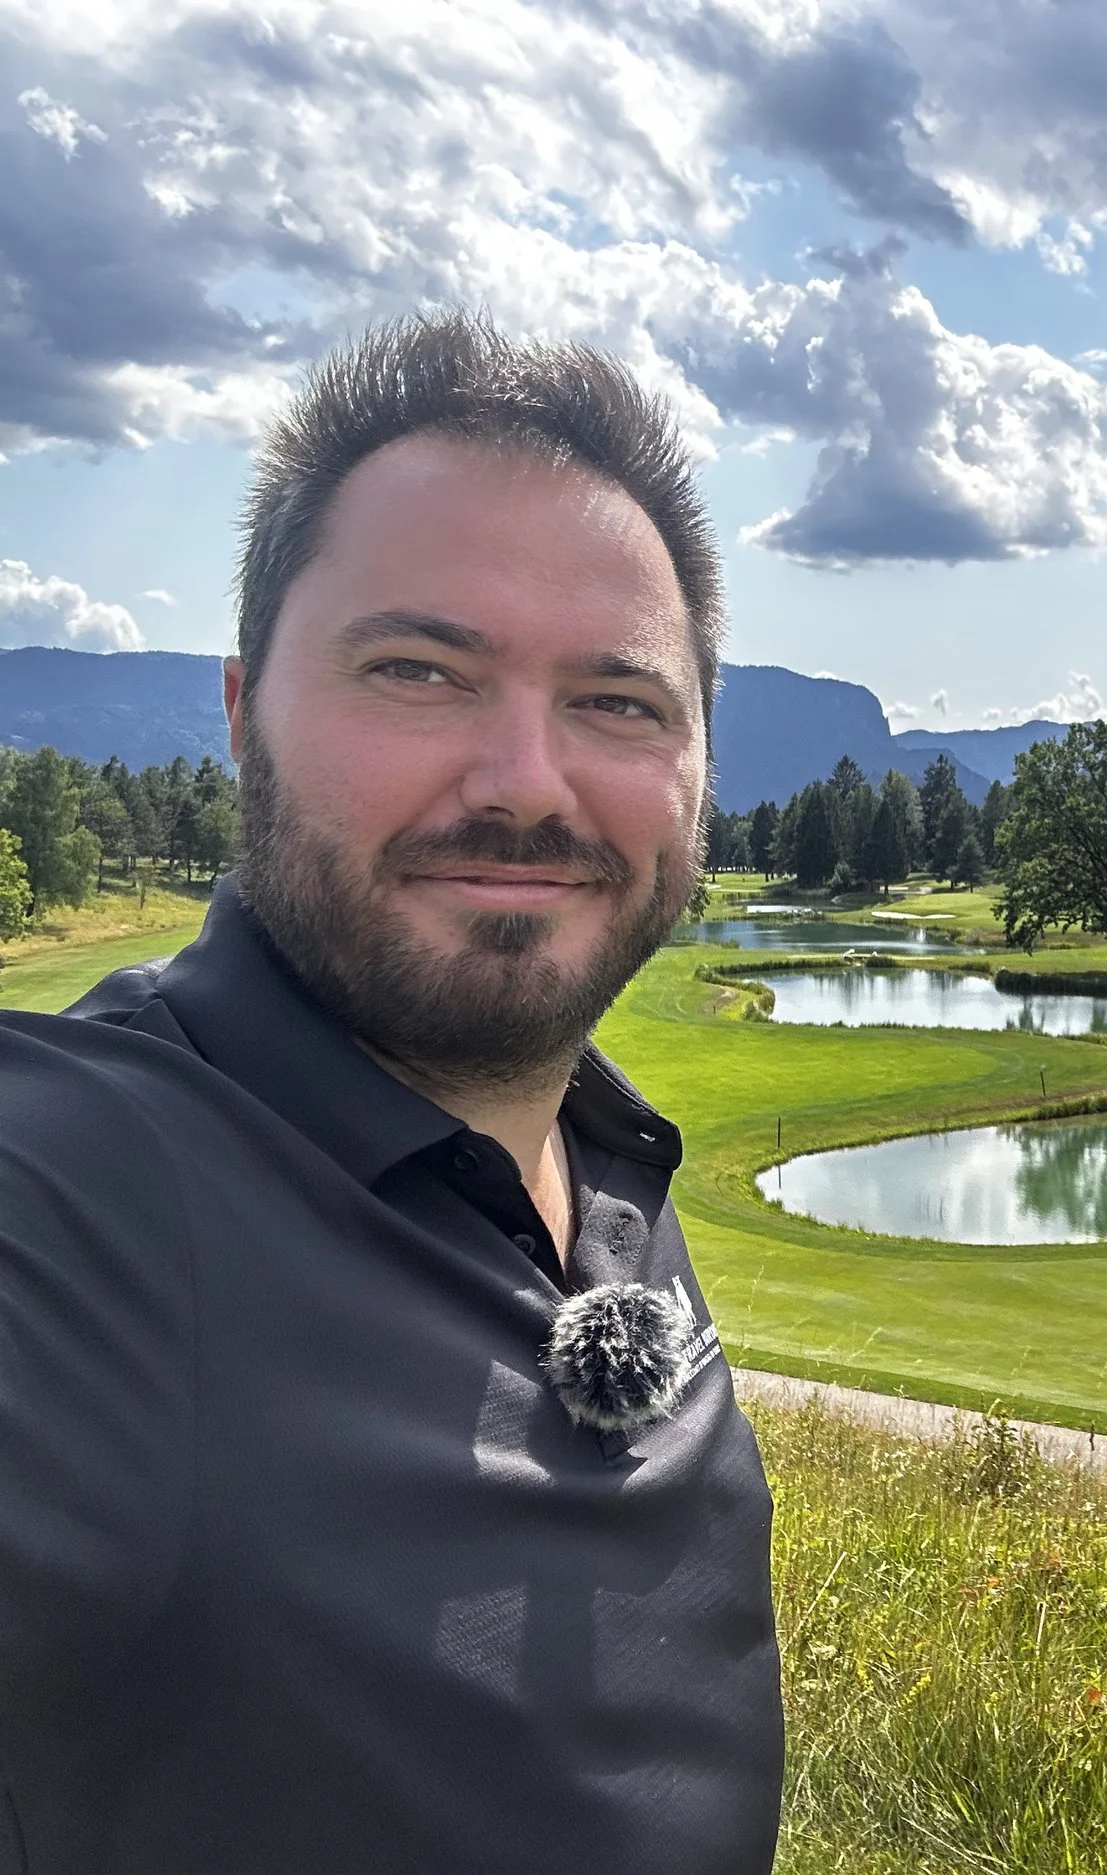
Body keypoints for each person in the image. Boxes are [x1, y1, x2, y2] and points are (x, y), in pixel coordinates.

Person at [0, 314, 782, 1871]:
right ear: (243, 718)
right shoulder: (73, 1197)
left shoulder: (611, 1162)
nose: (524, 780)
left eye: (619, 701)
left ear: (697, 762)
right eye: (418, 670)